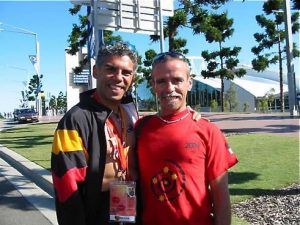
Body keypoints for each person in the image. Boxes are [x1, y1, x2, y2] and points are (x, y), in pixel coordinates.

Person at [135, 52, 238, 225]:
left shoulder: (208, 131)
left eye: (177, 80)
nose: (169, 88)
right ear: (153, 85)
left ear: (189, 83)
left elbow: (221, 198)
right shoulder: (140, 128)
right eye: (161, 81)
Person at [51, 41, 140, 225]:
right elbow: (67, 188)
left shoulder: (131, 112)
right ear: (95, 71)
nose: (118, 77)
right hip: (98, 213)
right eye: (110, 69)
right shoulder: (74, 120)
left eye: (126, 72)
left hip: (134, 206)